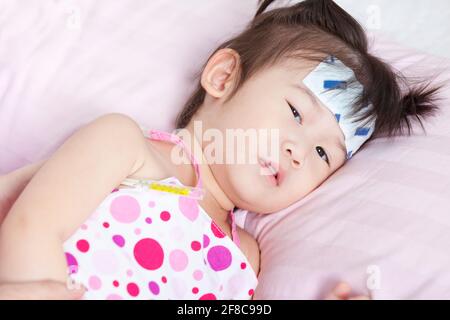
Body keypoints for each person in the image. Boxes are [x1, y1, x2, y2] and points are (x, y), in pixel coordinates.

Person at [0, 0, 440, 300]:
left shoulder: (244, 259)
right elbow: (31, 227)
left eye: (325, 154)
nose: (298, 151)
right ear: (224, 77)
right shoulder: (125, 147)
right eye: (295, 112)